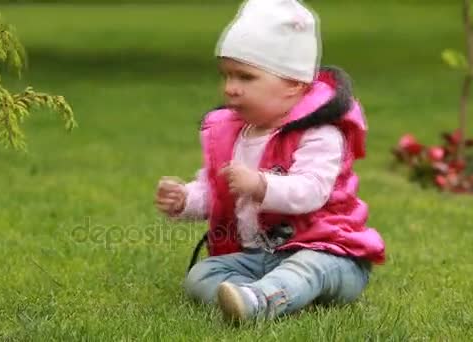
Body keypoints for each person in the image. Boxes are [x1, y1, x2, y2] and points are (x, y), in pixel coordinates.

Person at [154, 0, 386, 323]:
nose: (230, 89)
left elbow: (312, 190)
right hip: (261, 257)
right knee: (201, 275)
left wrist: (262, 184)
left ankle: (262, 301)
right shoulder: (239, 134)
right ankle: (263, 295)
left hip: (330, 254)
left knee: (307, 268)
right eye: (227, 76)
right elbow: (219, 190)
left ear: (293, 83)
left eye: (245, 77)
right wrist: (185, 199)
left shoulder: (319, 132)